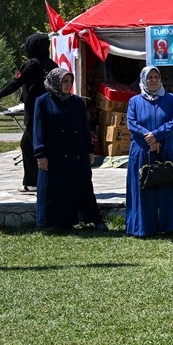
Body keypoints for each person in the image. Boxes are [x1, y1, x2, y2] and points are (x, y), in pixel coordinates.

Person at [0, 32, 57, 193]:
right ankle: (36, 181)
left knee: (35, 145)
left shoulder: (31, 64)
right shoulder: (52, 65)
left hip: (35, 110)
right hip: (51, 109)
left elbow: (15, 83)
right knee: (29, 144)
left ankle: (40, 182)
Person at [33, 68, 105, 231]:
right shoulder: (43, 101)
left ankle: (93, 218)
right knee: (55, 188)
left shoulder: (77, 102)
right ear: (55, 82)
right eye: (64, 81)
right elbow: (38, 129)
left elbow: (84, 128)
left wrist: (89, 150)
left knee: (82, 186)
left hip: (76, 152)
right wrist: (40, 154)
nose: (68, 85)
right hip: (54, 153)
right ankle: (55, 222)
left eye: (70, 81)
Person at [125, 66, 173, 238]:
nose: (153, 80)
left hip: (166, 148)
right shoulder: (135, 101)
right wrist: (149, 140)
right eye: (150, 77)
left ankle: (172, 226)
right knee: (143, 186)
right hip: (141, 149)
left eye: (156, 77)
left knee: (168, 185)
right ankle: (143, 228)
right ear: (143, 80)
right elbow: (132, 123)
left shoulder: (171, 99)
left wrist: (156, 135)